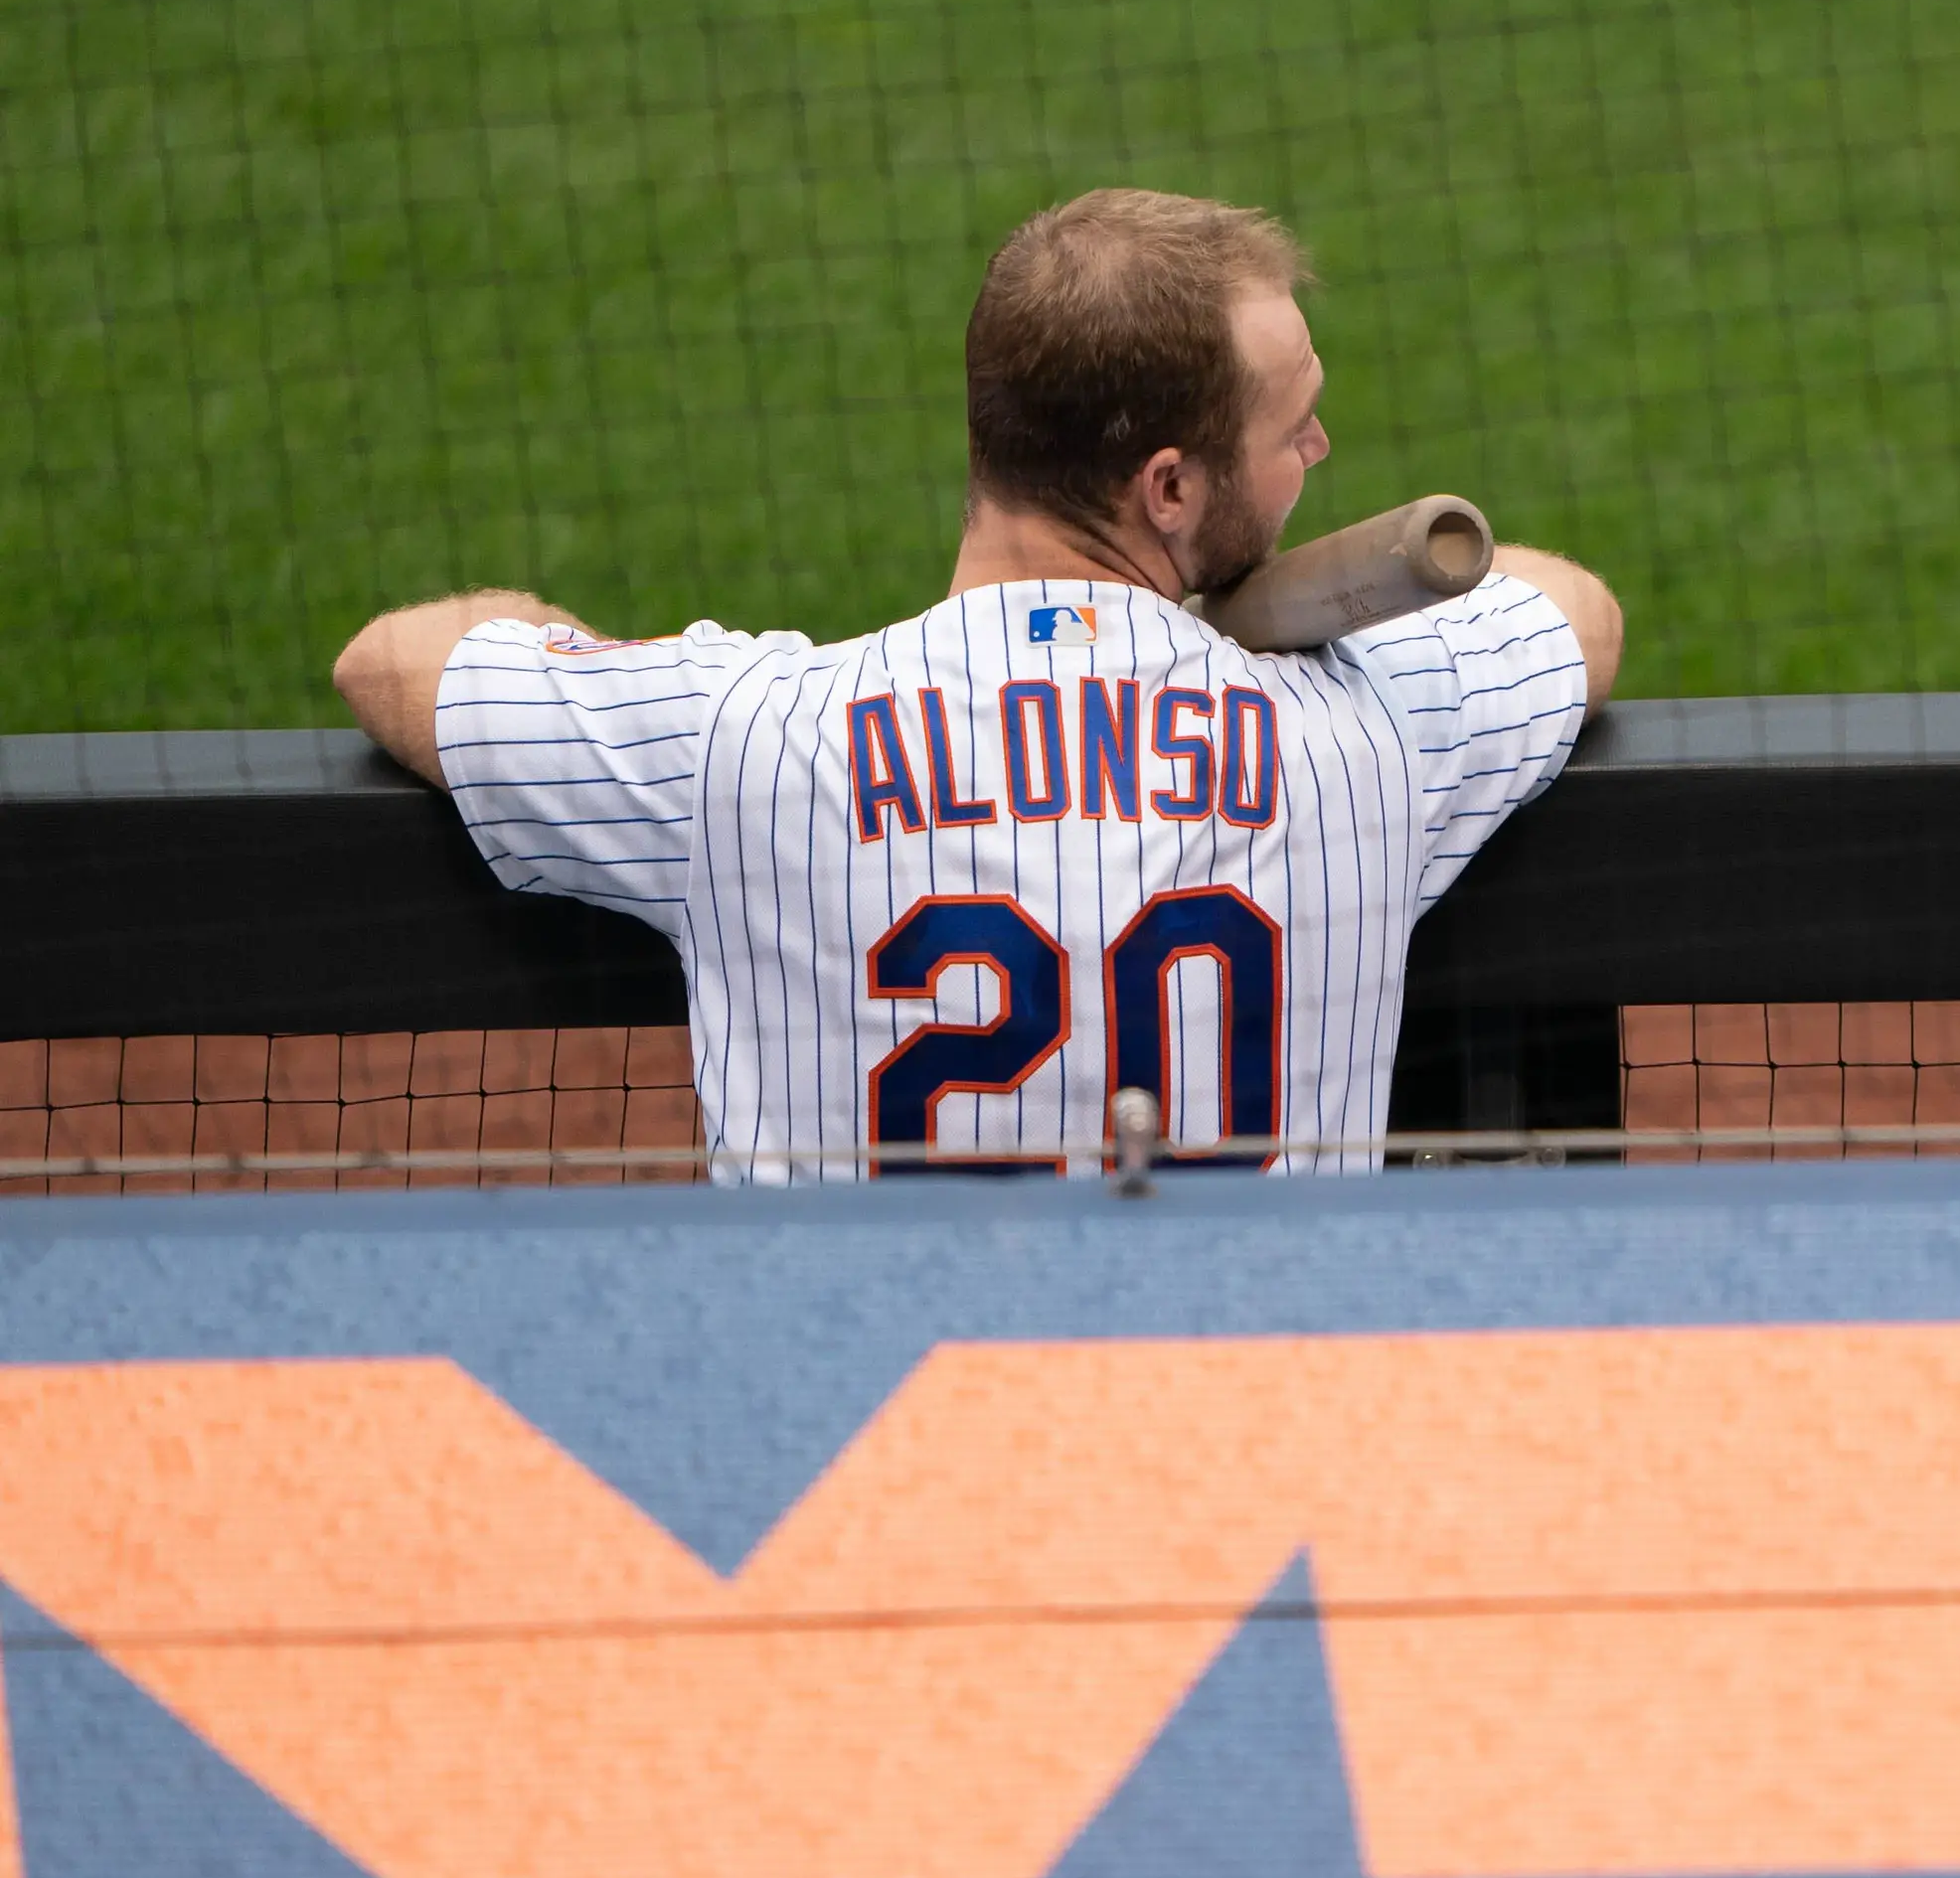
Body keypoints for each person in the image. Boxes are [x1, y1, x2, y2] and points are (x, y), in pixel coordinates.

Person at [332, 189, 1622, 1177]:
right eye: (1293, 428)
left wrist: (596, 658)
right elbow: (1577, 609)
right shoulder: (1373, 727)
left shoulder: (744, 736)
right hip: (1251, 1450)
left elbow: (389, 660)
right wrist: (1267, 631)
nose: (1319, 451)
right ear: (1168, 490)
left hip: (881, 1451)